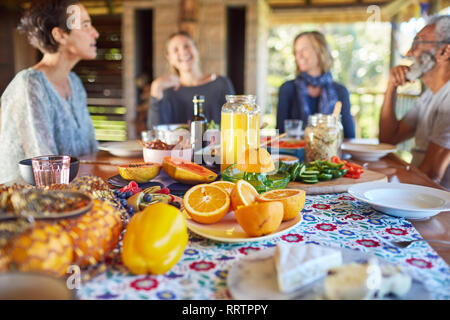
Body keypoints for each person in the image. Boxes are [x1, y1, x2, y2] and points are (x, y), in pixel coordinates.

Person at [0, 0, 99, 184]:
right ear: (60, 34)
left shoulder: (75, 83)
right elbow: (45, 171)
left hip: (73, 190)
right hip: (31, 204)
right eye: (85, 25)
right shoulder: (29, 84)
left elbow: (90, 150)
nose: (95, 33)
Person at [379, 15, 450, 189]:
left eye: (418, 43)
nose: (409, 52)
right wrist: (391, 87)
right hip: (420, 189)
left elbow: (432, 175)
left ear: (444, 52)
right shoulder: (430, 96)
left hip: (439, 205)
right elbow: (388, 138)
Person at [147, 31, 235, 129]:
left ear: (197, 49)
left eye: (187, 46)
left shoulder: (221, 83)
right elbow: (155, 131)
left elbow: (234, 124)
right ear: (169, 58)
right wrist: (155, 89)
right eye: (176, 49)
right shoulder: (167, 91)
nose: (183, 52)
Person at [276, 31, 355, 139]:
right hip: (294, 155)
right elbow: (280, 135)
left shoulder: (340, 91)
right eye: (296, 51)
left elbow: (349, 136)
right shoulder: (287, 89)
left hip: (330, 154)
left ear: (320, 51)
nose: (298, 56)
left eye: (304, 49)